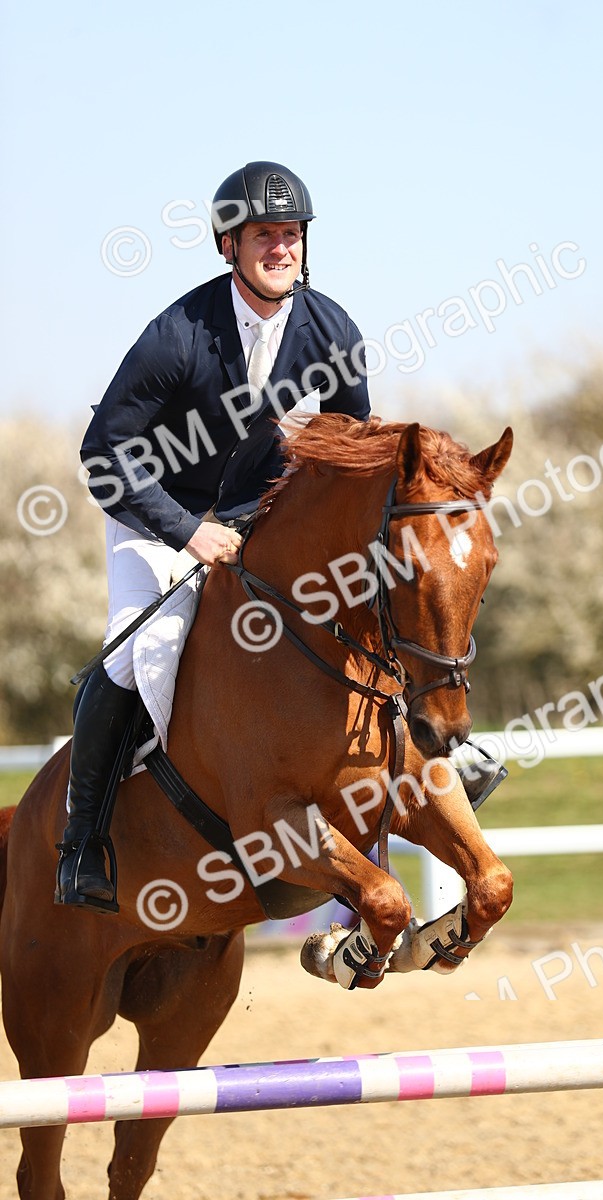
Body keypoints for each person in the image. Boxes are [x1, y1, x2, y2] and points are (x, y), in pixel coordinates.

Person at [56, 161, 370, 910]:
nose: (282, 248)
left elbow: (354, 448)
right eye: (265, 235)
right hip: (158, 512)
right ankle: (81, 846)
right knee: (141, 650)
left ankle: (440, 757)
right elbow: (104, 454)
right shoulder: (178, 334)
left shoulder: (332, 328)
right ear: (229, 244)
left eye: (291, 235)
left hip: (255, 517)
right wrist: (184, 531)